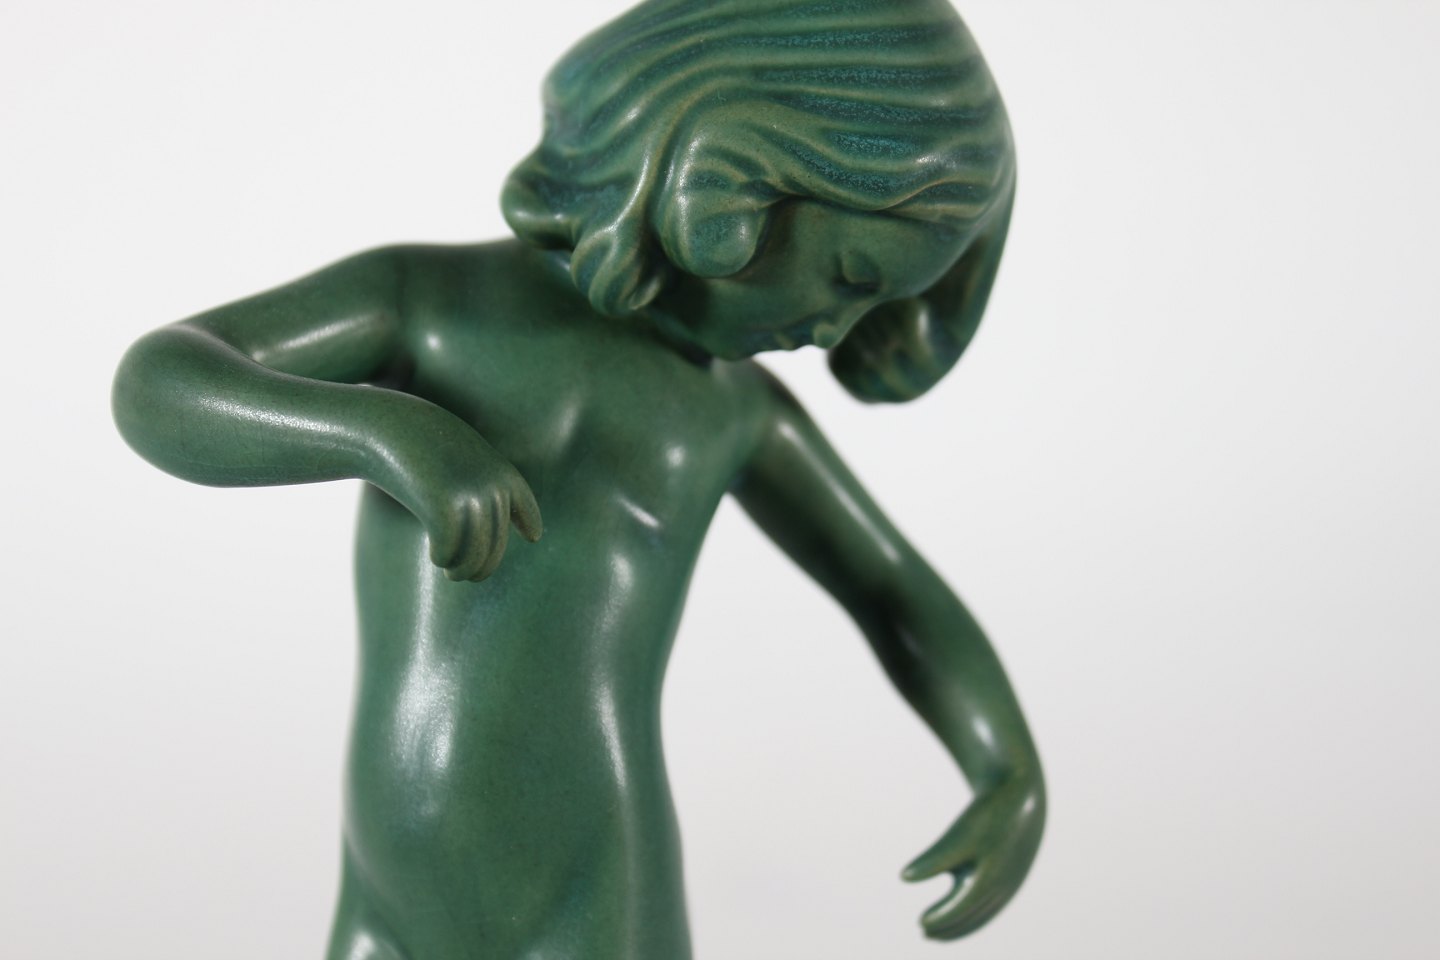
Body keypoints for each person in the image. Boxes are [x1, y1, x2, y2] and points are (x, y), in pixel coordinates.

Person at [113, 1, 1043, 956]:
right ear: (736, 172)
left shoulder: (735, 414)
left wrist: (1008, 770)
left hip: (593, 891)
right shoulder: (430, 307)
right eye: (849, 276)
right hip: (388, 886)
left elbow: (891, 589)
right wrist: (381, 431)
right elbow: (164, 382)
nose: (834, 331)